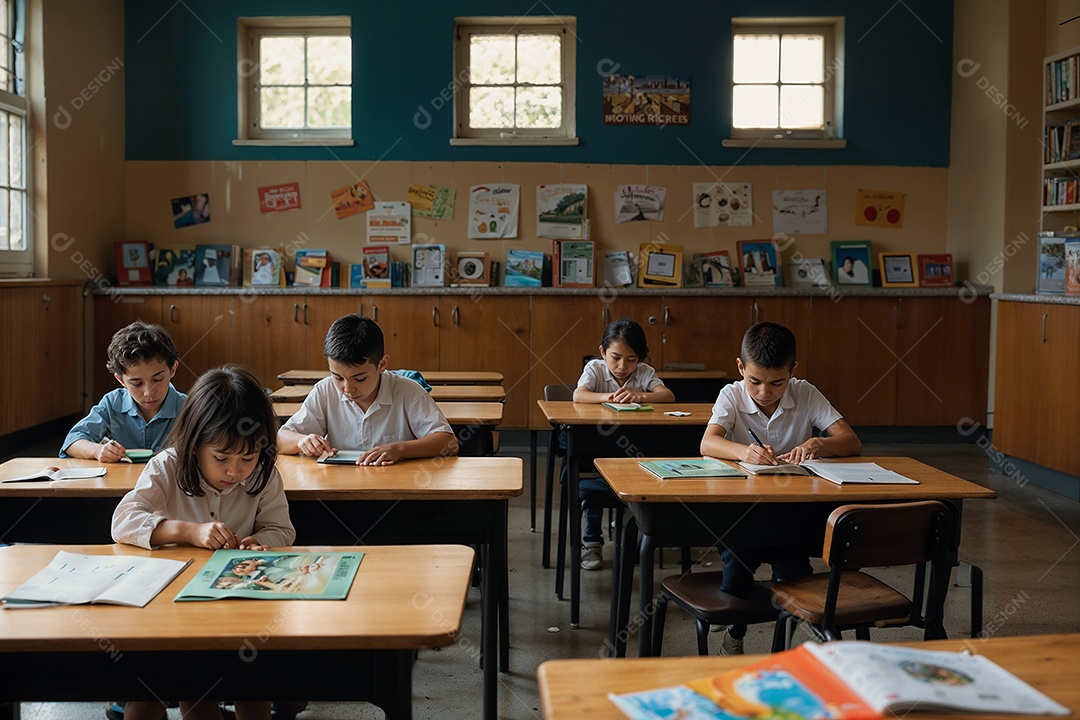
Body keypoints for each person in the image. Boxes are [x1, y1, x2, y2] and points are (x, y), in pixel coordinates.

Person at [111, 365, 293, 720]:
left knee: (251, 694)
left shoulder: (264, 474)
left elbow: (281, 529)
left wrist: (261, 541)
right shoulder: (168, 466)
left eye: (248, 458)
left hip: (239, 605)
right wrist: (186, 532)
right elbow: (123, 521)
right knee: (157, 697)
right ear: (195, 445)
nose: (235, 471)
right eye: (221, 458)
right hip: (169, 607)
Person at [700, 321, 861, 655]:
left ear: (793, 372)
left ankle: (791, 637)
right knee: (736, 584)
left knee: (794, 580)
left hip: (793, 511)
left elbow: (851, 442)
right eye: (755, 381)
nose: (764, 392)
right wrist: (744, 451)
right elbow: (708, 442)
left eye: (777, 382)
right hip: (745, 511)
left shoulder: (805, 392)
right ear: (741, 367)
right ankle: (736, 629)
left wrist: (819, 443)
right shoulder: (731, 394)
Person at [278, 314, 458, 465]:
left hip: (398, 489)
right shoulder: (324, 391)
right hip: (339, 488)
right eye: (338, 377)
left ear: (382, 364)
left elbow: (448, 442)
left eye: (360, 378)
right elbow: (281, 439)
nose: (347, 388)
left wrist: (399, 449)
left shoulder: (408, 391)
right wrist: (302, 441)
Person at [571, 318, 675, 570]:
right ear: (602, 352)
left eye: (631, 359)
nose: (622, 366)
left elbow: (668, 396)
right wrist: (609, 397)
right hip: (597, 447)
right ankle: (592, 540)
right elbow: (579, 395)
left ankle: (633, 534)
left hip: (634, 450)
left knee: (645, 474)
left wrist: (640, 395)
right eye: (615, 357)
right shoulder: (595, 369)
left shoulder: (644, 373)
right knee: (597, 481)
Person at [62, 322, 186, 462]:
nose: (148, 392)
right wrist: (97, 450)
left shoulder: (188, 407)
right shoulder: (112, 403)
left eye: (157, 380)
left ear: (173, 369)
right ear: (121, 380)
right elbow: (72, 442)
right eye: (137, 384)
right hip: (121, 482)